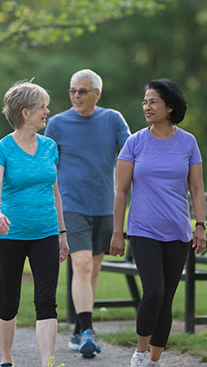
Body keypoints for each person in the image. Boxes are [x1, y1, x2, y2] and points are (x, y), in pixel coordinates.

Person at [110, 79, 207, 367]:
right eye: (145, 101)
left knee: (166, 298)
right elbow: (121, 190)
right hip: (143, 230)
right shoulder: (135, 142)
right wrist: (118, 231)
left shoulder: (188, 142)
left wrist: (199, 225)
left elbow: (197, 188)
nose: (146, 106)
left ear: (170, 107)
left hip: (177, 231)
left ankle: (154, 360)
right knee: (154, 291)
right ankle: (140, 353)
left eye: (153, 101)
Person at [44, 68, 130, 358]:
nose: (76, 96)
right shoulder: (56, 124)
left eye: (82, 91)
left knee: (91, 270)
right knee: (80, 265)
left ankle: (79, 328)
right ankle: (88, 331)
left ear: (97, 93)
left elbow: (130, 153)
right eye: (72, 91)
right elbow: (48, 167)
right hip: (71, 205)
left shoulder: (112, 119)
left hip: (104, 206)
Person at [0, 81, 70, 367]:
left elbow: (55, 192)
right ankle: (6, 359)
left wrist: (62, 232)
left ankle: (48, 361)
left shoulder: (49, 147)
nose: (47, 111)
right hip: (10, 235)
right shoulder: (2, 148)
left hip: (46, 233)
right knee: (9, 299)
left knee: (46, 299)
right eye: (42, 107)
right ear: (25, 112)